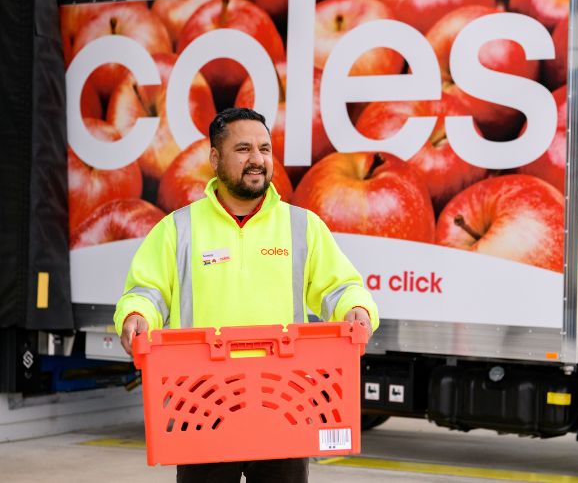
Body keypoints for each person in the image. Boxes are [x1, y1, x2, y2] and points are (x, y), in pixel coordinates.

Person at [113, 107, 379, 483]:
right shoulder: (178, 229)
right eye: (243, 149)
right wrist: (135, 316)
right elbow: (147, 292)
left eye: (264, 149)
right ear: (215, 159)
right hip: (202, 407)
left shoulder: (302, 226)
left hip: (284, 407)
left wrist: (356, 309)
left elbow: (341, 288)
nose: (257, 159)